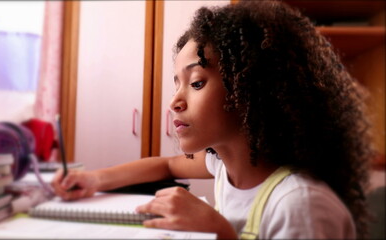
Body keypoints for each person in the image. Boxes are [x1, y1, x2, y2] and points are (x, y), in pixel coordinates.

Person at [52, 1, 373, 239]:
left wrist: (220, 233)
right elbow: (166, 166)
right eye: (176, 83)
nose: (175, 101)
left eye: (196, 83)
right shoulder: (224, 166)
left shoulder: (300, 204)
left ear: (251, 89)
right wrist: (94, 180)